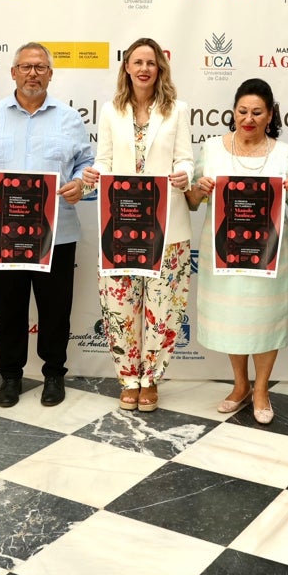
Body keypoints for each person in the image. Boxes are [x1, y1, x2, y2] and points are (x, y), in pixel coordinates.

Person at [0, 43, 94, 409]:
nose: (32, 73)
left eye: (40, 67)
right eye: (25, 67)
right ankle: (11, 376)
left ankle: (53, 374)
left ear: (51, 74)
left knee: (55, 309)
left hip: (57, 234)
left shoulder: (69, 118)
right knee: (8, 309)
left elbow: (88, 163)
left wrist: (81, 183)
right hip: (4, 234)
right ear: (13, 72)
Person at [186, 78, 288, 424]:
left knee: (264, 320)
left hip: (267, 257)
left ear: (270, 115)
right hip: (223, 255)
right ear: (233, 112)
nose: (249, 118)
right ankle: (240, 385)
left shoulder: (284, 153)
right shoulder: (211, 148)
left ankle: (261, 389)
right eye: (242, 111)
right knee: (233, 319)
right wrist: (198, 188)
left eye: (257, 112)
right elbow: (194, 202)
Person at [81, 37, 192, 412]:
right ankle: (129, 378)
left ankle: (151, 379)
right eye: (137, 62)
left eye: (151, 62)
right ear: (126, 67)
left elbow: (186, 160)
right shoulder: (111, 111)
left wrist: (183, 176)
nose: (144, 68)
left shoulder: (177, 110)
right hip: (120, 228)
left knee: (163, 310)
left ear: (160, 68)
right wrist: (95, 174)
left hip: (168, 229)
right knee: (121, 305)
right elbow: (104, 160)